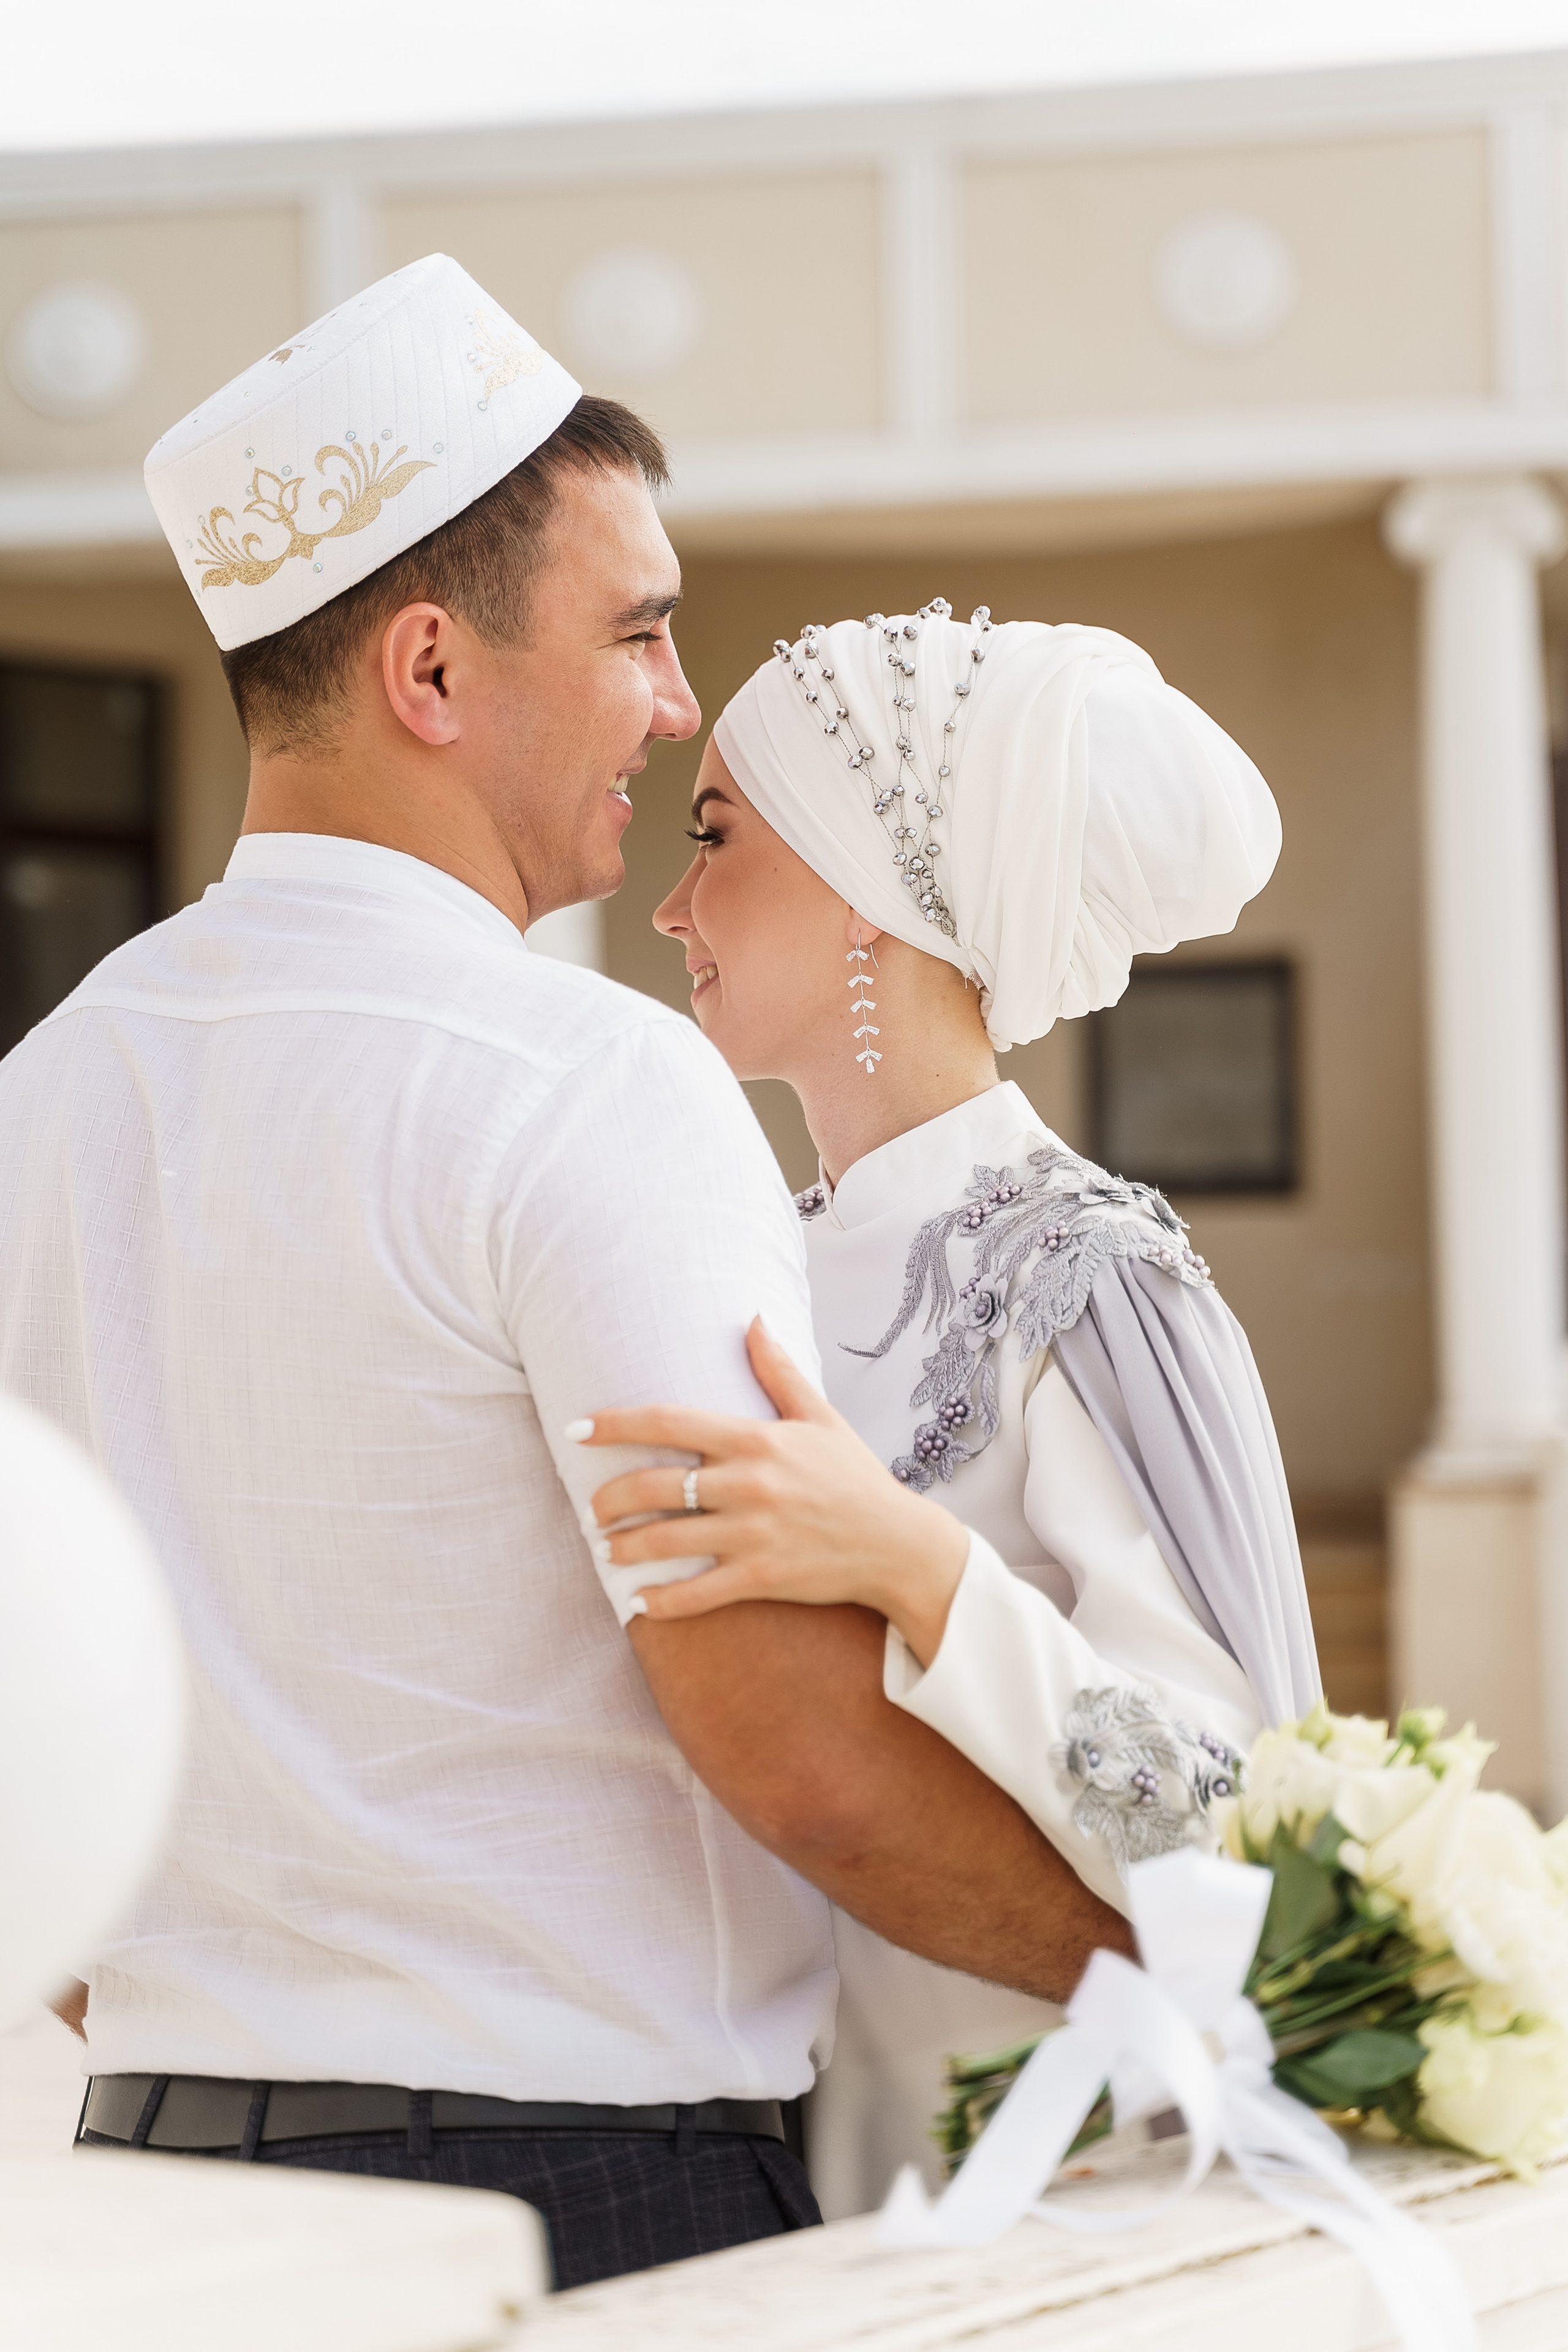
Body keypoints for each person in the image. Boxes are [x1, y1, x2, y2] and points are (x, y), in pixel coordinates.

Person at [0, 273, 1128, 2288]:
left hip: (157, 2219)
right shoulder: (586, 1082)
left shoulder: (40, 1098)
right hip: (583, 2210)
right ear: (431, 668)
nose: (676, 701)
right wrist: (1206, 1973)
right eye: (634, 632)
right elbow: (797, 1754)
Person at [578, 600, 1322, 2217]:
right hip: (752, 2175)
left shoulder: (1092, 1278)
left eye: (714, 837)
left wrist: (922, 1569)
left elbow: (1218, 1811)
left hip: (1048, 2182)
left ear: (870, 887)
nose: (671, 906)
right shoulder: (737, 1254)